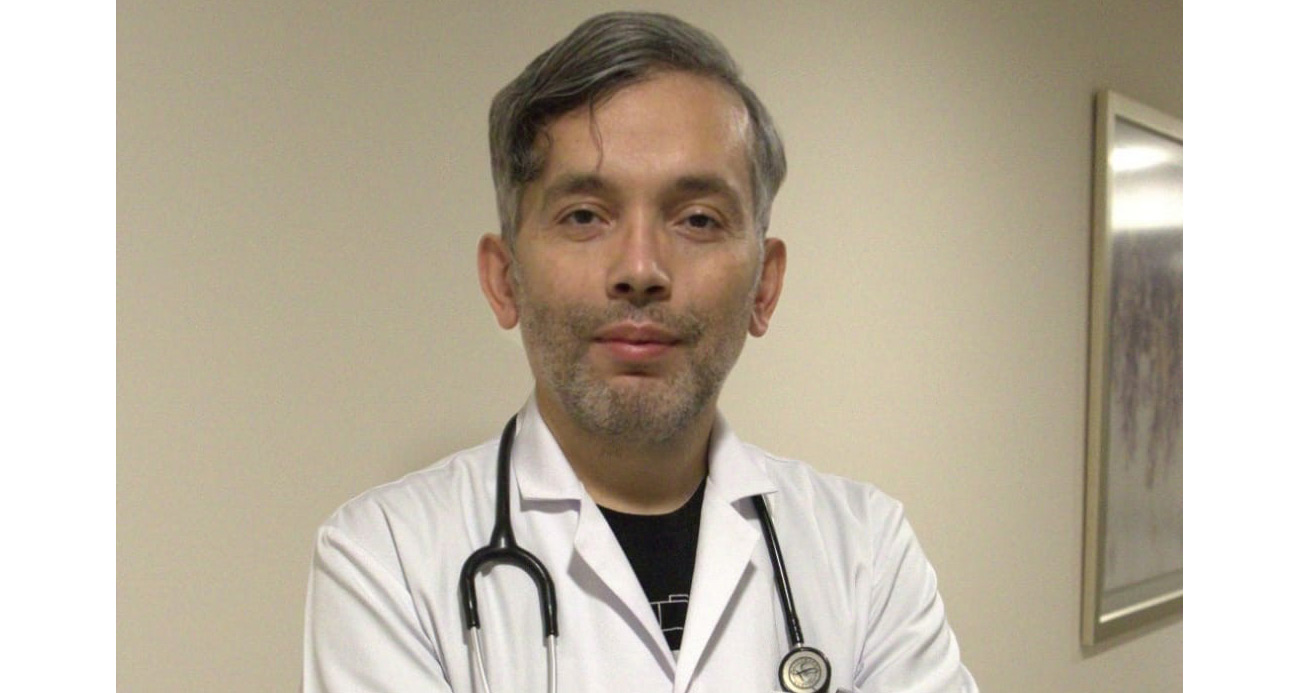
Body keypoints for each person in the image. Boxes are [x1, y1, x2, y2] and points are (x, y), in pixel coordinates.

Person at [303, 11, 978, 693]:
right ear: (504, 280)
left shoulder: (865, 550)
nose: (640, 268)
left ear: (764, 287)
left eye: (698, 219)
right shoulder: (386, 559)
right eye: (585, 216)